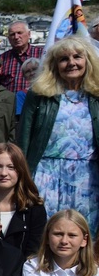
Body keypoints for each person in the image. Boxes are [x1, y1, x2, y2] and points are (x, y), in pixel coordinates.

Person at [19, 36, 99, 236]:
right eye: (64, 59)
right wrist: (22, 176)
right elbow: (24, 138)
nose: (71, 63)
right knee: (47, 232)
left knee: (85, 232)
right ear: (55, 65)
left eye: (77, 57)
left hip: (88, 176)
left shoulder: (97, 96)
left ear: (88, 61)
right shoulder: (38, 95)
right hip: (47, 174)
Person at [0, 143, 46, 258]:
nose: (4, 173)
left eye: (11, 167)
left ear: (20, 171)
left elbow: (34, 252)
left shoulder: (34, 209)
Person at [0, 20, 43, 94]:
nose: (16, 37)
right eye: (12, 34)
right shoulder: (2, 59)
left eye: (20, 33)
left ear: (29, 34)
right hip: (12, 104)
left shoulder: (42, 54)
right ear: (9, 38)